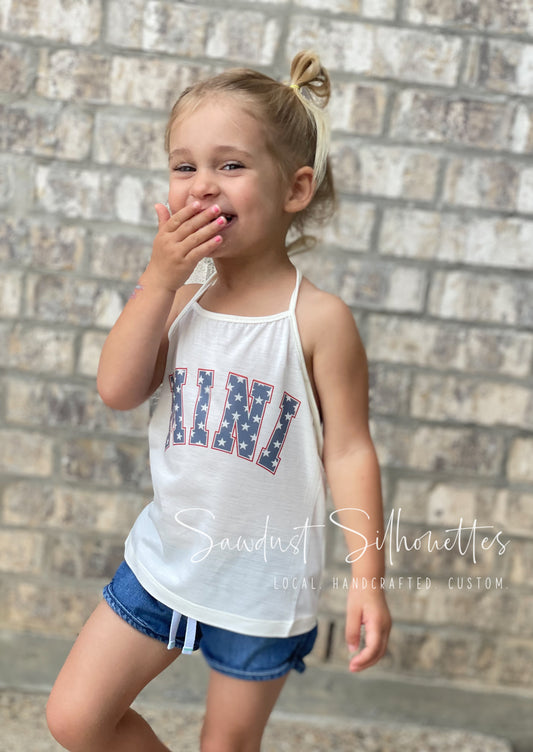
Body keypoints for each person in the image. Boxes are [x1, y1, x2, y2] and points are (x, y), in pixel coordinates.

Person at [46, 49, 391, 752]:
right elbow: (117, 390)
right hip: (165, 561)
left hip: (264, 584)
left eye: (229, 165)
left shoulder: (318, 320)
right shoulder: (177, 302)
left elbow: (349, 448)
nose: (203, 184)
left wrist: (368, 577)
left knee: (226, 747)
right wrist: (157, 279)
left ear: (294, 189)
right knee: (76, 718)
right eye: (184, 166)